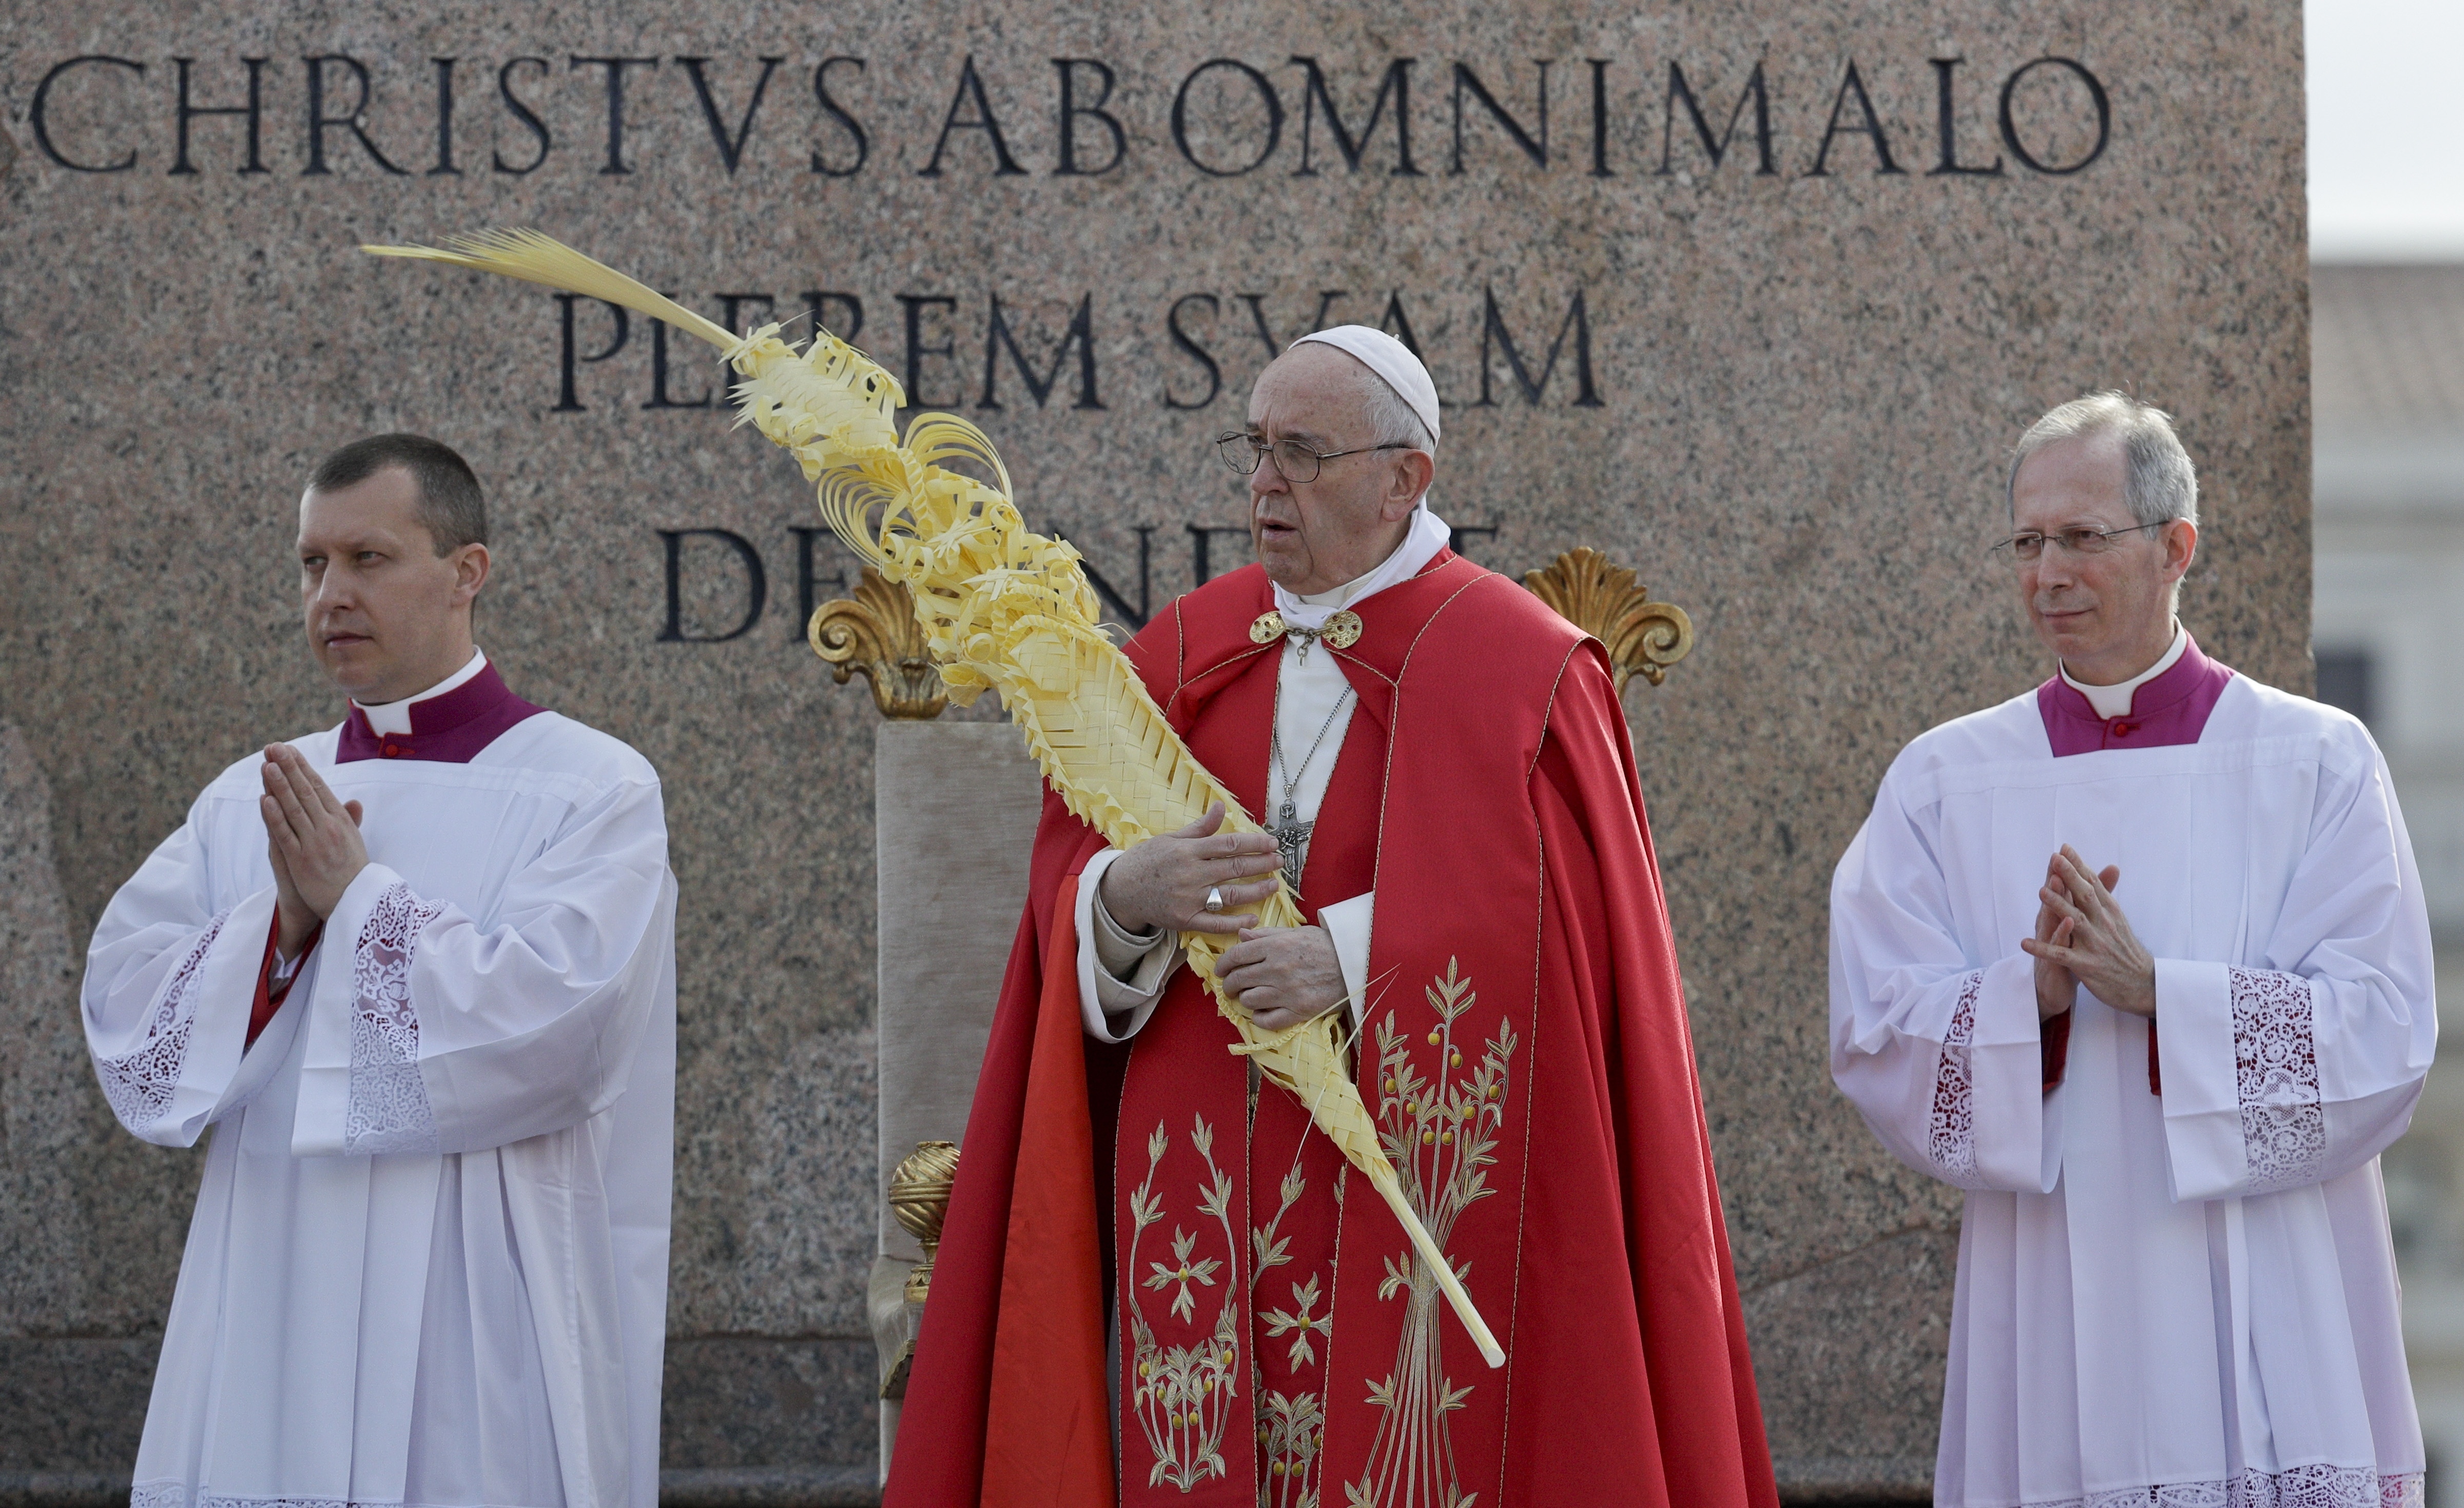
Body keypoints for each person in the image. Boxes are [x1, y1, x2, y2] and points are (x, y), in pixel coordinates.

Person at [885, 328, 1777, 1507]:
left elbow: (1579, 942)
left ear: (1404, 477)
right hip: (1199, 1196)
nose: (1265, 483)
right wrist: (1126, 900)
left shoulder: (1526, 671)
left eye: (1303, 453)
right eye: (1254, 448)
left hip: (1411, 1196)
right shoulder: (1181, 652)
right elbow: (1065, 906)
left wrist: (1353, 957)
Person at [1830, 393, 2433, 1505]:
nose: (2045, 571)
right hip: (2048, 1290)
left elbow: (2386, 1030)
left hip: (2268, 1289)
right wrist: (2031, 1002)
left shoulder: (2315, 761)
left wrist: (2168, 998)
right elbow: (1875, 1028)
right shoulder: (1942, 782)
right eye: (2025, 541)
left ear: (2174, 547)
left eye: (2079, 537)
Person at [83, 435, 677, 1508]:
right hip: (278, 1274)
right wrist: (281, 928)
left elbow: (562, 1020)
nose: (332, 595)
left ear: (467, 573)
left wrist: (359, 905)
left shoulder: (591, 787)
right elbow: (131, 1018)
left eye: (369, 557)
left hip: (474, 1287)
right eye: (313, 564)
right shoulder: (249, 797)